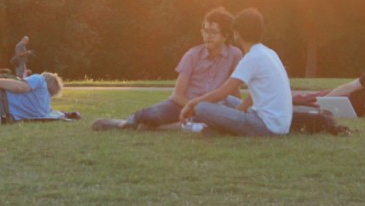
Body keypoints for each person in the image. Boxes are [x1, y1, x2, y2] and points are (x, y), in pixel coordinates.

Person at [93, 7, 243, 131]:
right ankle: (122, 123)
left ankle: (156, 128)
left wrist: (238, 111)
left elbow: (234, 90)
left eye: (213, 32)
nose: (208, 36)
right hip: (181, 105)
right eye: (205, 31)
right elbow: (177, 95)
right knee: (153, 115)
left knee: (213, 125)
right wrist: (191, 107)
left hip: (210, 109)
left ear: (225, 36)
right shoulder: (192, 55)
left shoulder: (235, 55)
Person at [180, 8, 292, 137]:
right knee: (228, 100)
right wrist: (235, 115)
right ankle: (218, 127)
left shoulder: (252, 58)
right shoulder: (269, 52)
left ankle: (206, 127)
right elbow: (254, 96)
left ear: (236, 33)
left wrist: (191, 103)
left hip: (265, 126)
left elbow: (222, 92)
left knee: (202, 108)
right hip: (280, 125)